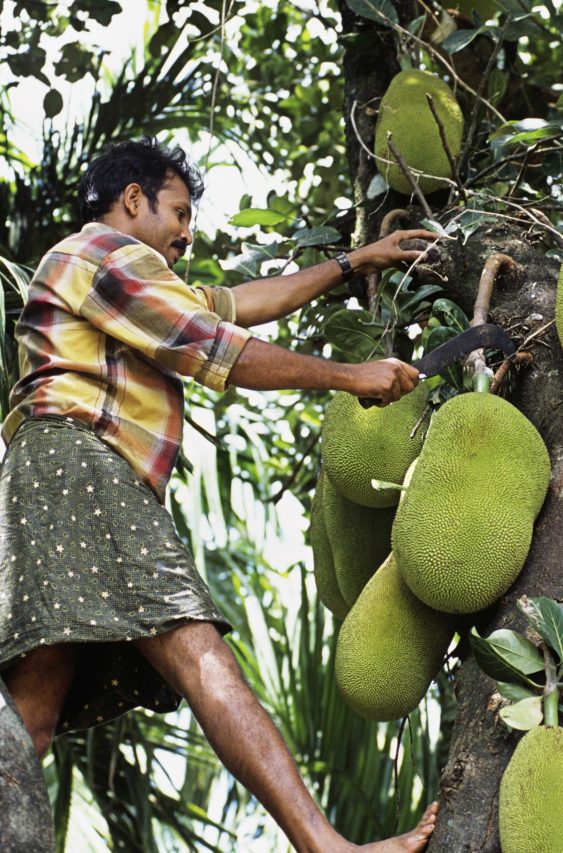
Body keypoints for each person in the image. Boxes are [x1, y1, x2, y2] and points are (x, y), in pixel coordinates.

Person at [0, 137, 439, 851]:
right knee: (201, 654)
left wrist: (357, 260)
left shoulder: (131, 276)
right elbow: (213, 346)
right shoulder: (99, 254)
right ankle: (323, 845)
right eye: (177, 211)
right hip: (82, 465)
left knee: (32, 707)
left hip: (55, 477)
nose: (187, 231)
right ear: (132, 198)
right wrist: (350, 375)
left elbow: (238, 307)